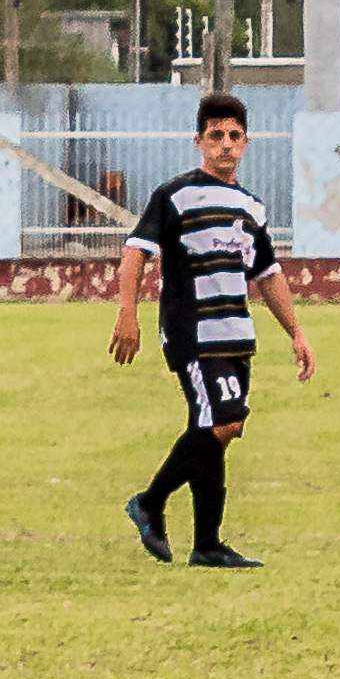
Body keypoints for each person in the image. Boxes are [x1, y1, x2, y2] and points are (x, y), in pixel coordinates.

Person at [110, 91, 314, 569]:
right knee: (225, 421)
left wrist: (297, 333)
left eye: (234, 136)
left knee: (212, 429)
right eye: (216, 135)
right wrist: (128, 313)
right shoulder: (174, 196)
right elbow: (136, 251)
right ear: (198, 140)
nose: (226, 144)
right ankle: (150, 501)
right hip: (193, 332)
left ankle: (207, 544)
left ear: (246, 142)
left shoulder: (251, 208)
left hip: (236, 333)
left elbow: (267, 274)